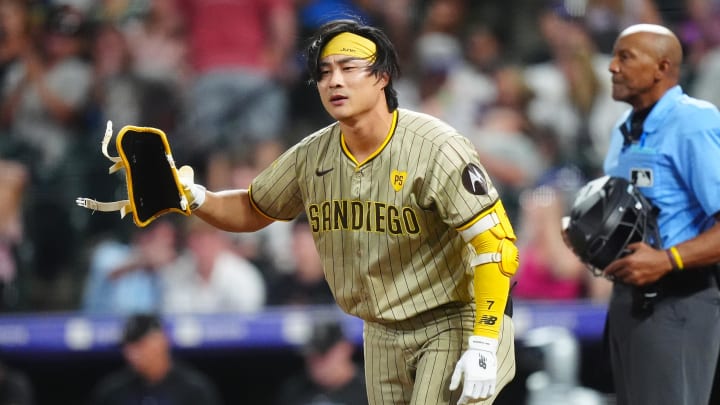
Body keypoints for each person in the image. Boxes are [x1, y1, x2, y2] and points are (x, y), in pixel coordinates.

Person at [181, 19, 518, 405]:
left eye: (349, 68)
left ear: (382, 78)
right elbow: (254, 208)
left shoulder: (436, 146)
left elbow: (496, 246)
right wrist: (193, 197)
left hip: (455, 320)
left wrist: (484, 341)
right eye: (324, 72)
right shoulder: (312, 155)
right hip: (379, 330)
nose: (334, 81)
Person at [598, 24, 720, 405]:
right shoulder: (623, 128)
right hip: (627, 299)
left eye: (625, 57)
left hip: (679, 301)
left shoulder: (694, 122)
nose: (612, 67)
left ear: (662, 67)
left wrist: (669, 259)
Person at [87, 313, 223, 405]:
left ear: (162, 341)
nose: (132, 354)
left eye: (140, 345)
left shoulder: (194, 390)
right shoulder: (112, 392)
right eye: (128, 347)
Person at [274, 318, 367, 405]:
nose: (315, 361)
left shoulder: (369, 390)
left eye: (322, 354)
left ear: (345, 349)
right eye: (311, 353)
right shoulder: (294, 391)